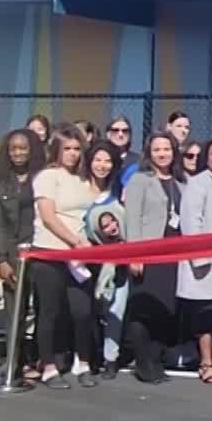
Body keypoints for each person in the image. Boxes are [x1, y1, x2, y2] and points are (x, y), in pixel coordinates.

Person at [29, 127, 98, 390]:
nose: (72, 154)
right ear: (57, 150)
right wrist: (74, 241)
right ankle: (48, 366)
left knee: (82, 311)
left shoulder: (83, 180)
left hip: (79, 257)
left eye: (77, 149)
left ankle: (83, 362)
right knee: (50, 311)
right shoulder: (48, 176)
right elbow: (48, 216)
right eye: (67, 148)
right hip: (50, 253)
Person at [120, 132, 182, 383]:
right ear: (149, 153)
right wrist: (136, 254)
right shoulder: (140, 179)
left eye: (167, 149)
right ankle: (143, 363)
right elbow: (132, 218)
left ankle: (156, 360)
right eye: (157, 149)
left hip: (174, 252)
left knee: (164, 308)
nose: (162, 154)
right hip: (148, 249)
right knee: (143, 308)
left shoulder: (180, 181)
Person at [178, 138, 212, 383]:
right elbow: (191, 222)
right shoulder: (198, 183)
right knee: (205, 313)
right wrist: (200, 258)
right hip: (205, 261)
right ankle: (206, 362)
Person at [0, 129, 42, 376]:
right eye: (13, 149)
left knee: (44, 309)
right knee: (14, 311)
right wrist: (1, 259)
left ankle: (39, 360)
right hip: (12, 255)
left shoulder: (42, 177)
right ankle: (13, 361)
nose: (18, 153)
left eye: (23, 148)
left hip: (41, 251)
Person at [80, 142, 124, 374]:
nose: (102, 165)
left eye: (107, 160)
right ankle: (86, 355)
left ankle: (110, 358)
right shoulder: (78, 190)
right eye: (98, 159)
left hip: (115, 261)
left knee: (115, 307)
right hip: (82, 260)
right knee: (86, 310)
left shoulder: (118, 190)